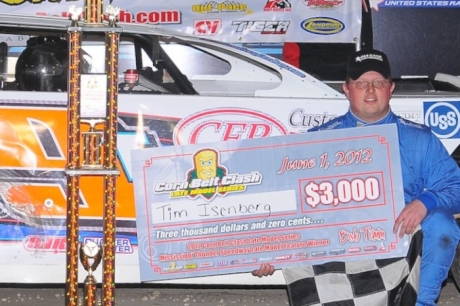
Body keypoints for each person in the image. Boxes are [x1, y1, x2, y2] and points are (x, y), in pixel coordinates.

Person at [253, 49, 460, 306]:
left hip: (398, 236)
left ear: (390, 88)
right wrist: (265, 246)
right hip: (341, 241)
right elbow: (288, 200)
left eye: (378, 82)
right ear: (346, 89)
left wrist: (424, 202)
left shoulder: (420, 138)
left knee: (441, 223)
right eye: (361, 83)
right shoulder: (318, 139)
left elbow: (456, 186)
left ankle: (419, 302)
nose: (370, 90)